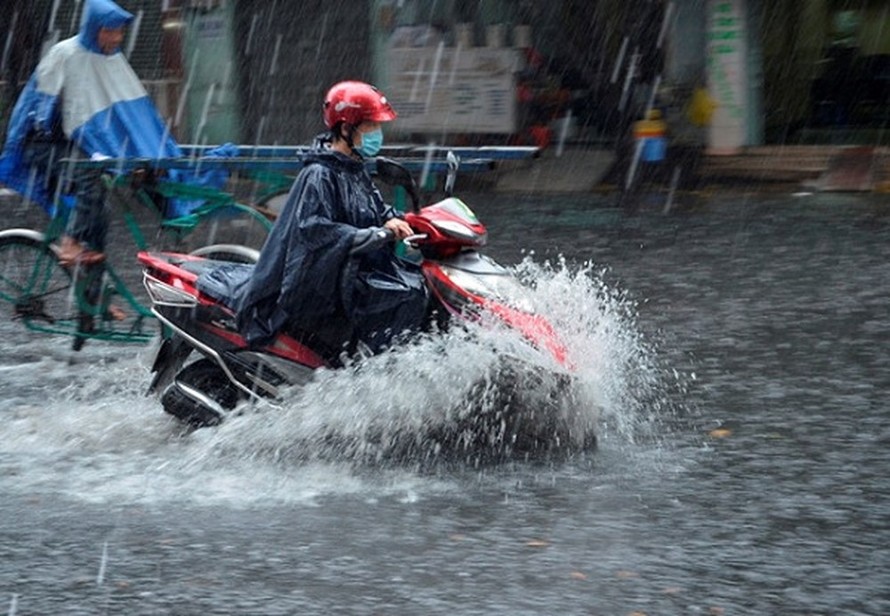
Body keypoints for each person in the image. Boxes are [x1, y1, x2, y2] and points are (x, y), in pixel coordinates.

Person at [236, 80, 428, 356]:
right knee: (404, 296)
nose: (378, 134)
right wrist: (374, 235)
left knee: (417, 285)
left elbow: (374, 209)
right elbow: (316, 230)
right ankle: (374, 372)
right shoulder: (320, 175)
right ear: (346, 129)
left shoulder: (353, 168)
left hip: (351, 269)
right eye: (371, 127)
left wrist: (410, 220)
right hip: (322, 281)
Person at [0, 0, 182, 267]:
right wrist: (96, 142)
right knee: (89, 177)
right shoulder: (66, 53)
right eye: (110, 31)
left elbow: (131, 112)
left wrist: (140, 149)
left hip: (73, 141)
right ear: (94, 28)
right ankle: (70, 243)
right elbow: (49, 110)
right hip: (41, 142)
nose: (117, 38)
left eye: (120, 31)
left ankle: (96, 303)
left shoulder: (112, 59)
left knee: (100, 214)